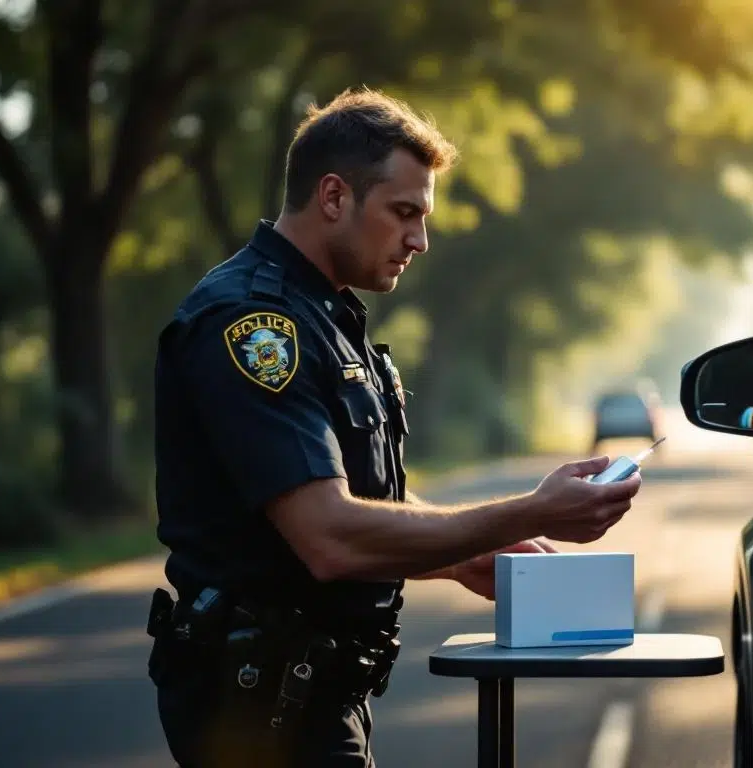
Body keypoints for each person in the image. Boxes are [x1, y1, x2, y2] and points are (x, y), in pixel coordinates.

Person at [147, 86, 642, 768]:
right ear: (333, 196)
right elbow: (329, 537)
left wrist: (465, 555)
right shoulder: (258, 326)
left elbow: (343, 513)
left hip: (309, 696)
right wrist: (531, 511)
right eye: (404, 212)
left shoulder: (325, 317)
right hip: (258, 715)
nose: (420, 240)